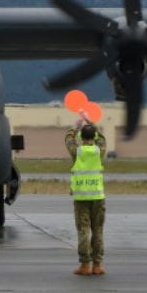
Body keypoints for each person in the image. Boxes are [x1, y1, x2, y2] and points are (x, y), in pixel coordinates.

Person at [65, 116, 106, 276]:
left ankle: (84, 265)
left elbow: (69, 139)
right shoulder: (99, 151)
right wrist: (90, 122)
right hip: (98, 197)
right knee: (98, 231)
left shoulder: (77, 152)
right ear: (94, 136)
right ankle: (97, 265)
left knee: (83, 230)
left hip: (81, 199)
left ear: (81, 137)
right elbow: (102, 138)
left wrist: (76, 126)